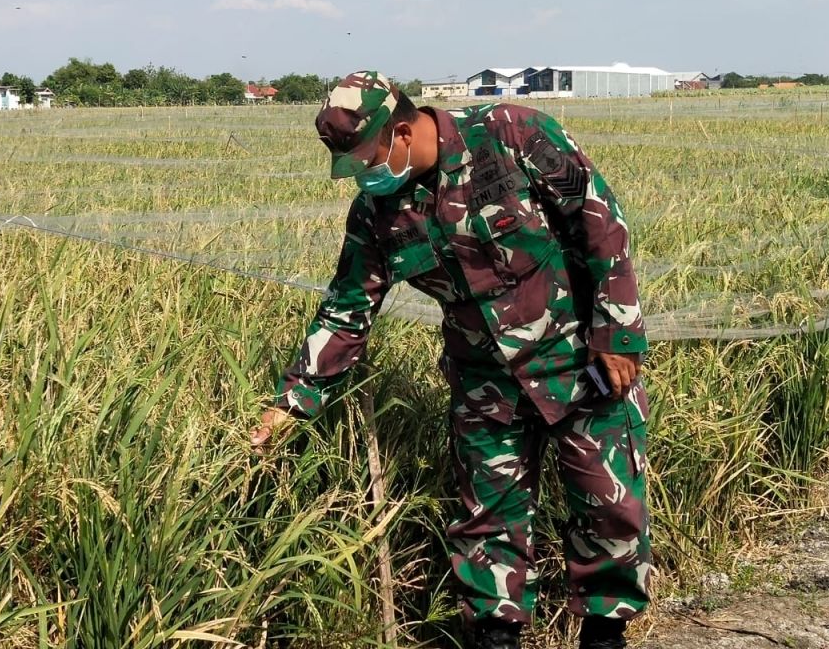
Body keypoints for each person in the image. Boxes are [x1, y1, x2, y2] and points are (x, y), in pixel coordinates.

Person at [251, 71, 651, 649]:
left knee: (610, 507)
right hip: (485, 386)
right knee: (488, 525)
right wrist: (294, 400)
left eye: (366, 159)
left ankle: (605, 635)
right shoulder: (377, 214)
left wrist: (617, 332)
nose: (364, 175)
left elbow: (600, 222)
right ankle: (496, 636)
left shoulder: (511, 134)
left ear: (401, 131)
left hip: (580, 362)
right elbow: (346, 311)